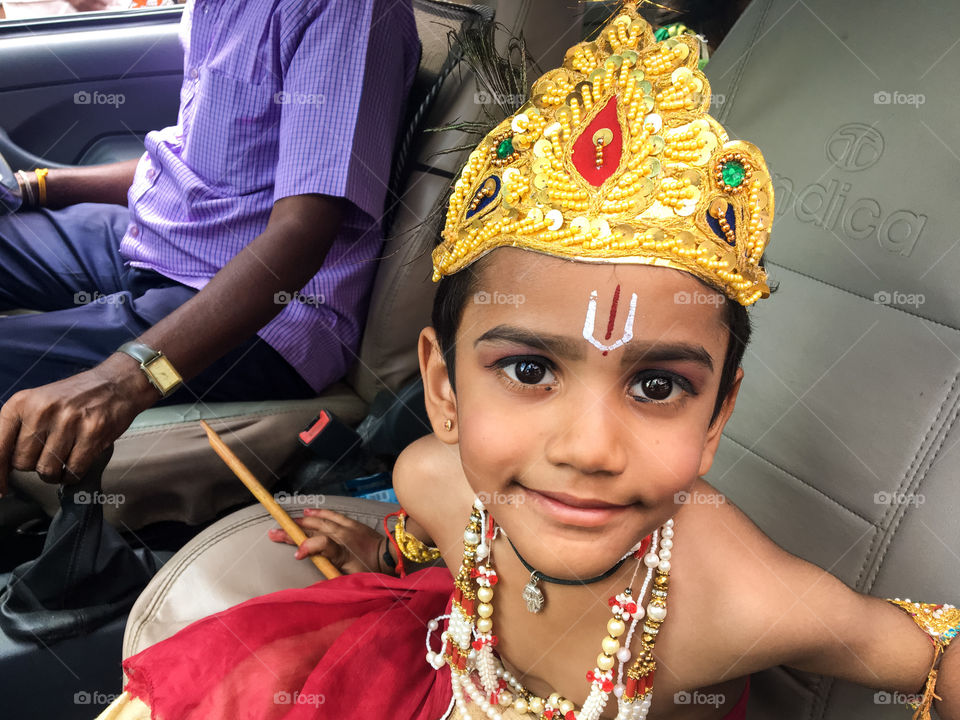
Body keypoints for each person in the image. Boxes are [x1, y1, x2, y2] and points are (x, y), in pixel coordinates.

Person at [90, 5, 960, 719]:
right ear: (442, 388)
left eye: (658, 386)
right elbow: (439, 544)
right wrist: (383, 552)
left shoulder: (736, 594)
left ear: (717, 417)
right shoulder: (434, 479)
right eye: (532, 372)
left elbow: (930, 658)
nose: (586, 447)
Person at [0, 0, 419, 491]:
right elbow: (188, 163)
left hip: (262, 309)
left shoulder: (342, 10)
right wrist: (33, 187)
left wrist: (126, 378)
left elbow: (300, 234)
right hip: (158, 241)